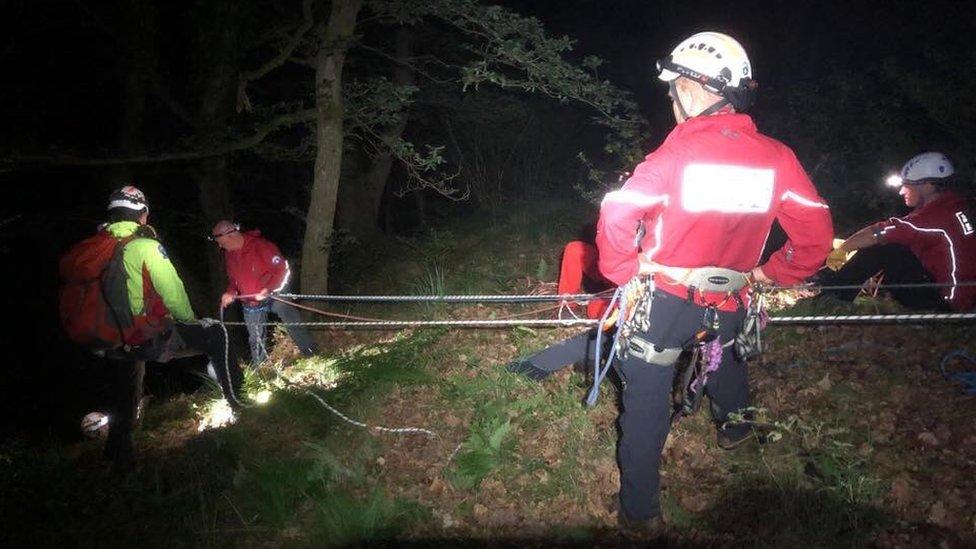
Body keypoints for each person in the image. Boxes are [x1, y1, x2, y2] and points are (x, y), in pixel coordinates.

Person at [595, 32, 833, 531]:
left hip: (663, 304)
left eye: (675, 88)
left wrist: (625, 269)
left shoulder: (673, 157)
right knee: (721, 352)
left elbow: (617, 212)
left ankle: (639, 514)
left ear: (695, 88)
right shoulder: (777, 158)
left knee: (644, 401)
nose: (671, 100)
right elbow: (816, 234)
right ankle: (736, 427)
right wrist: (772, 272)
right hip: (731, 300)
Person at [72, 186, 245, 472]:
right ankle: (241, 406)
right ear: (143, 215)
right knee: (217, 335)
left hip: (109, 340)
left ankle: (119, 455)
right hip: (144, 336)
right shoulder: (144, 245)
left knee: (127, 385)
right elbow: (172, 291)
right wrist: (191, 321)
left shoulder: (98, 246)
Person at [816, 152, 976, 311]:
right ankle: (835, 290)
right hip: (959, 296)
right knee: (896, 245)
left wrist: (843, 249)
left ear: (928, 185)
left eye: (907, 185)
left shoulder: (933, 218)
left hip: (947, 304)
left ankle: (831, 299)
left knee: (885, 247)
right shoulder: (952, 207)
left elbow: (877, 233)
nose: (901, 191)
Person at [213, 220, 319, 365]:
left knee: (292, 320)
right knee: (255, 338)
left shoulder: (261, 246)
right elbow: (233, 279)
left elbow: (282, 269)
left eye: (221, 242)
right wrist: (230, 292)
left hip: (275, 293)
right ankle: (261, 370)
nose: (220, 246)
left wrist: (268, 289)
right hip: (250, 301)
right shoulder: (229, 255)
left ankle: (311, 352)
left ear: (231, 236)